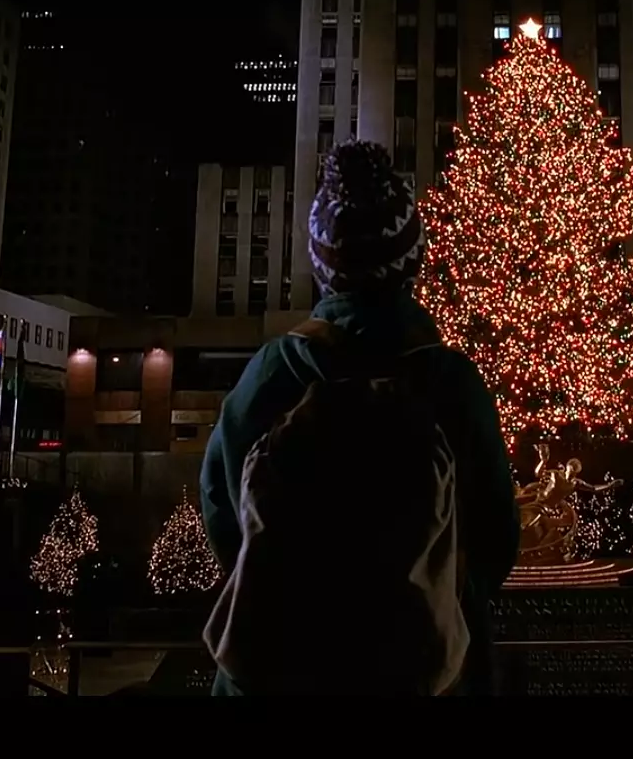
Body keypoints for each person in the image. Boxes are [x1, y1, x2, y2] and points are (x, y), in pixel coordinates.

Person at [199, 140, 519, 695]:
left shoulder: (270, 376)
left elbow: (221, 510)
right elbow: (497, 537)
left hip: (281, 670)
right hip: (426, 672)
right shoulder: (452, 385)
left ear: (322, 265)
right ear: (412, 260)